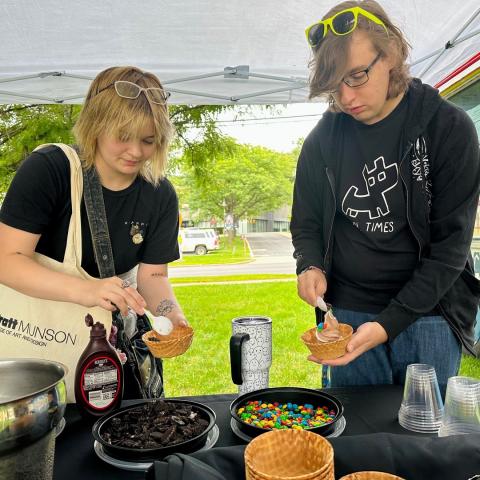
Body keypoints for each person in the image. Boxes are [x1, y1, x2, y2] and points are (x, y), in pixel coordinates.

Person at [291, 0, 480, 393]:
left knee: (424, 426)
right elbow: (306, 223)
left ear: (392, 53)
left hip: (430, 313)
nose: (346, 97)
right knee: (357, 427)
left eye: (357, 75)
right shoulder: (322, 140)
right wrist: (309, 265)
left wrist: (388, 324)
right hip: (348, 311)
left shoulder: (449, 128)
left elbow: (450, 249)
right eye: (334, 86)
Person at [0, 66, 187, 393]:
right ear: (95, 125)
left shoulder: (160, 194)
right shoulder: (50, 170)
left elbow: (153, 276)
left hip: (113, 352)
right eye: (123, 136)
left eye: (148, 140)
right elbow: (7, 259)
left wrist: (172, 317)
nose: (136, 152)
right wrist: (87, 290)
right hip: (38, 347)